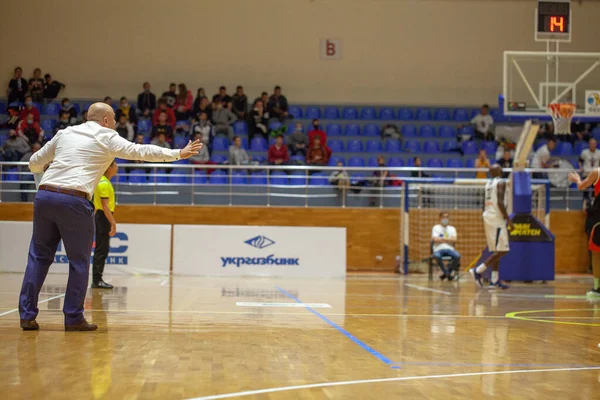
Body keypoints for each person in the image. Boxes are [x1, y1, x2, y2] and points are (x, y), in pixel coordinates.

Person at [18, 102, 202, 331]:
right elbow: (140, 151)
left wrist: (41, 185)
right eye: (113, 118)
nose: (114, 122)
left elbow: (34, 162)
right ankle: (73, 318)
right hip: (74, 200)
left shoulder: (64, 133)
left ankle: (26, 315)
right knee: (79, 262)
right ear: (105, 120)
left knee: (38, 257)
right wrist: (178, 153)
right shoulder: (107, 136)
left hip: (44, 197)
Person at [469, 164, 514, 289]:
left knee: (496, 250)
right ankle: (478, 270)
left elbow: (484, 202)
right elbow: (500, 202)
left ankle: (494, 280)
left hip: (488, 216)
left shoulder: (488, 183)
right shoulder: (501, 182)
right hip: (496, 217)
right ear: (498, 171)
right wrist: (508, 220)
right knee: (503, 249)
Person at [568, 169, 600, 298]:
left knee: (596, 253)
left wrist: (576, 179)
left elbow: (581, 186)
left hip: (599, 218)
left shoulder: (596, 172)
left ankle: (597, 288)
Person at [91, 161, 118, 289]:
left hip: (101, 217)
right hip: (103, 217)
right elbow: (104, 206)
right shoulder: (103, 184)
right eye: (115, 165)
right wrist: (113, 222)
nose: (117, 167)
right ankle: (97, 280)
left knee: (102, 249)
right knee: (101, 250)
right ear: (109, 168)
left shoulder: (102, 182)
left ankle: (97, 279)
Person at [431, 211, 461, 281]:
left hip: (450, 249)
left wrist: (442, 239)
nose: (445, 219)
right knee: (437, 256)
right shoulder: (436, 227)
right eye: (443, 217)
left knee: (457, 256)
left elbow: (454, 240)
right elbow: (435, 240)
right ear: (440, 218)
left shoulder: (452, 228)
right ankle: (448, 274)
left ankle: (446, 273)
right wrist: (448, 239)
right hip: (438, 249)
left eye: (447, 217)